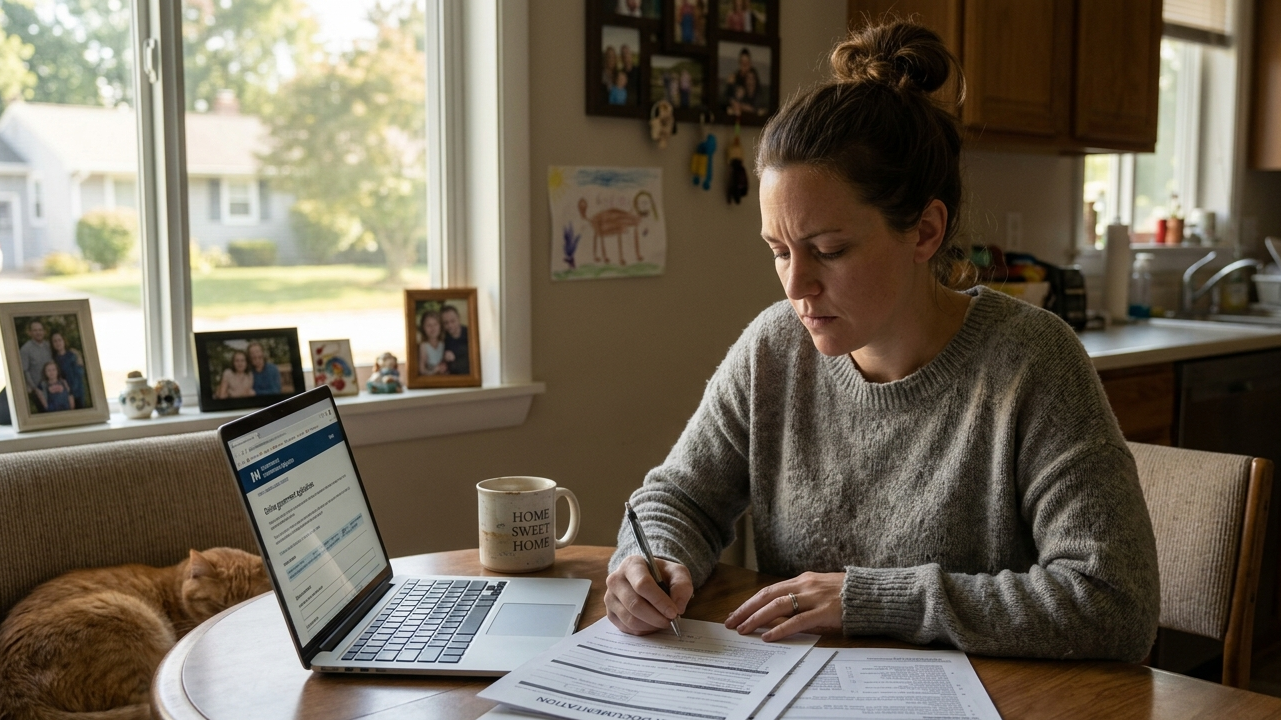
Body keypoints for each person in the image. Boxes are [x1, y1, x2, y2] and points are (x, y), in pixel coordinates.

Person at [605, 20, 1160, 664]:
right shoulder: (772, 351)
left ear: (925, 231)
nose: (796, 284)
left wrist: (873, 600)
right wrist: (649, 559)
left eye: (829, 250)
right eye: (779, 251)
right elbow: (680, 498)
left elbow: (1116, 604)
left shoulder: (1032, 363)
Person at [50, 332, 87, 409]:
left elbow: (80, 373)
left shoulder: (73, 355)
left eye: (59, 340)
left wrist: (72, 391)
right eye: (55, 341)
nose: (58, 343)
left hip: (77, 391)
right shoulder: (54, 360)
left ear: (64, 341)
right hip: (64, 393)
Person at [19, 320, 52, 393]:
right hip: (38, 388)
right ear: (30, 332)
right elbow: (25, 371)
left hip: (52, 385)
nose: (38, 332)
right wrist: (34, 388)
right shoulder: (25, 349)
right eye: (35, 330)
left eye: (40, 330)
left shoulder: (48, 345)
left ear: (44, 331)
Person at [441, 305, 470, 375]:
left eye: (452, 321)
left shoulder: (470, 333)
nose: (450, 325)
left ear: (458, 319)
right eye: (446, 323)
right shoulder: (443, 339)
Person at [418, 310, 447, 375]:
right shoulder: (424, 346)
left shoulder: (443, 343)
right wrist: (434, 371)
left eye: (435, 324)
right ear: (423, 328)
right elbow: (422, 370)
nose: (432, 328)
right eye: (429, 325)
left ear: (440, 326)